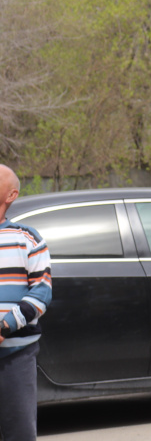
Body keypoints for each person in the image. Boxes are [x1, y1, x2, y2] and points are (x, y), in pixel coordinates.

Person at [0, 164, 52, 441]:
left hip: (16, 355)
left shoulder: (27, 238)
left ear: (11, 195)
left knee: (19, 433)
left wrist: (3, 328)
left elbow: (40, 294)